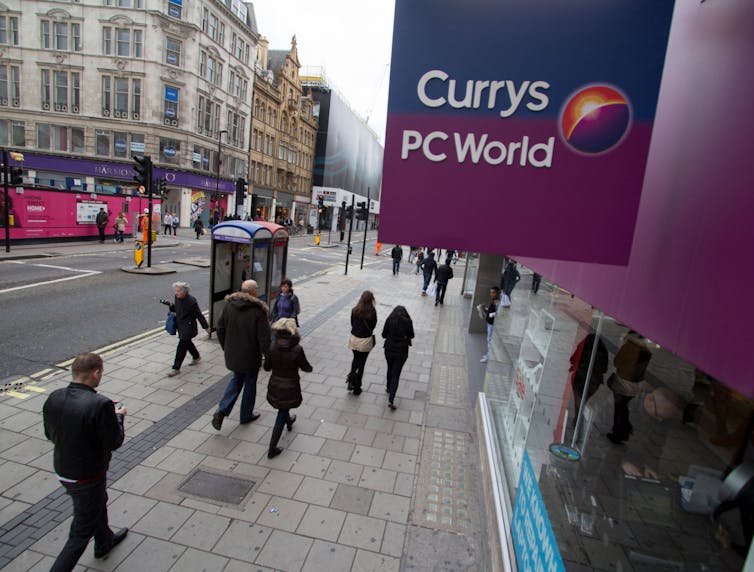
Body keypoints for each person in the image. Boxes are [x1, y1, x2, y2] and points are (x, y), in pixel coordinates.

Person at [42, 353, 129, 571]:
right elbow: (114, 441)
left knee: (97, 502)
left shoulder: (54, 397)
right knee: (80, 532)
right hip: (87, 476)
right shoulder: (100, 405)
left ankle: (104, 541)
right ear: (96, 373)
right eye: (101, 372)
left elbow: (49, 434)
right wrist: (119, 416)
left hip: (63, 469)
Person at [211, 279, 271, 430]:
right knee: (250, 384)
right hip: (251, 356)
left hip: (233, 354)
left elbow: (220, 328)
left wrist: (226, 346)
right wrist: (268, 357)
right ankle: (245, 415)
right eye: (257, 288)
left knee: (236, 379)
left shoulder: (230, 305)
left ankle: (222, 411)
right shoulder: (259, 310)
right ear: (253, 292)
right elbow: (264, 338)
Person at [264, 318, 313, 458]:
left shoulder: (272, 346)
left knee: (283, 407)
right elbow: (306, 367)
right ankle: (272, 448)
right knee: (282, 411)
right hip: (290, 386)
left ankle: (289, 421)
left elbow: (266, 367)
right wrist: (310, 368)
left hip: (275, 384)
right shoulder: (297, 349)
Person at [606, 330, 652, 444]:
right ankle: (625, 429)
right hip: (636, 386)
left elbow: (617, 362)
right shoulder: (646, 351)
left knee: (619, 408)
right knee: (623, 406)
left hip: (623, 384)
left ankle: (618, 433)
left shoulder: (628, 347)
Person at [166, 281, 210, 377]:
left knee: (181, 346)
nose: (176, 293)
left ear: (185, 291)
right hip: (180, 325)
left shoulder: (191, 301)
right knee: (187, 343)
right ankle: (196, 356)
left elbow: (198, 314)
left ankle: (176, 368)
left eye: (178, 291)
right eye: (176, 290)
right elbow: (176, 309)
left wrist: (206, 327)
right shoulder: (177, 297)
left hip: (189, 327)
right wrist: (171, 306)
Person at [569, 333, 609, 424]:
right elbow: (605, 369)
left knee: (578, 401)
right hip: (594, 383)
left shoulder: (583, 348)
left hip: (579, 380)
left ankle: (578, 420)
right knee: (583, 401)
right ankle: (578, 418)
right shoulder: (603, 352)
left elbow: (573, 359)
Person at [382, 306, 414, 410]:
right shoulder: (408, 322)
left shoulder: (389, 320)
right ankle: (391, 399)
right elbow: (412, 335)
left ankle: (388, 386)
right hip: (402, 351)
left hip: (389, 350)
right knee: (396, 374)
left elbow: (383, 335)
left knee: (389, 368)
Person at [347, 290, 378, 396]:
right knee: (361, 363)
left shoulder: (354, 310)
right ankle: (357, 387)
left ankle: (350, 381)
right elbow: (373, 326)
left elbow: (352, 324)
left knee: (355, 360)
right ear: (371, 300)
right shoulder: (372, 312)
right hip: (365, 341)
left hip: (354, 340)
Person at [480, 287, 501, 363]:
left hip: (492, 323)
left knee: (489, 340)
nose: (491, 294)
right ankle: (488, 354)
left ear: (497, 293)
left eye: (493, 292)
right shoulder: (493, 301)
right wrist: (486, 309)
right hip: (489, 322)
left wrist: (491, 314)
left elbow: (498, 313)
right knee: (488, 339)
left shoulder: (497, 301)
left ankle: (489, 356)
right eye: (491, 292)